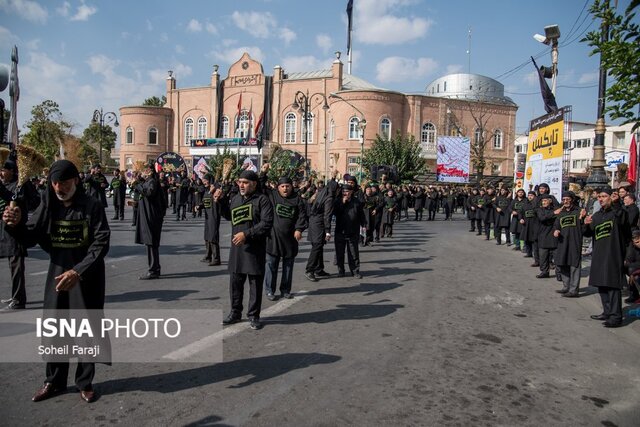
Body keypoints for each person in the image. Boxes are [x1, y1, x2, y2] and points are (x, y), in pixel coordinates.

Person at [2, 160, 110, 403]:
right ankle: (53, 381)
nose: (59, 187)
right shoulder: (49, 206)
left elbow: (101, 242)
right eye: (54, 183)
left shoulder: (91, 206)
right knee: (55, 328)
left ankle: (85, 382)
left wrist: (78, 272)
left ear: (76, 181)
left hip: (86, 278)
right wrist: (14, 224)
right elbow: (30, 237)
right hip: (58, 276)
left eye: (64, 182)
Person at [220, 170, 273, 330]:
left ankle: (254, 315)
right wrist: (221, 201)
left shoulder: (262, 200)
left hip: (254, 249)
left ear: (254, 184)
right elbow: (229, 216)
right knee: (235, 283)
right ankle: (235, 312)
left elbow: (266, 223)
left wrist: (247, 234)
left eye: (245, 182)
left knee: (255, 284)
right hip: (237, 249)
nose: (241, 185)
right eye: (239, 182)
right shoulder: (235, 198)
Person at [584, 186, 630, 328]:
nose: (601, 199)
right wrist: (585, 224)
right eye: (599, 197)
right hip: (599, 254)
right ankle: (607, 311)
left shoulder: (618, 212)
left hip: (614, 254)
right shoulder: (597, 215)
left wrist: (616, 203)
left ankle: (616, 317)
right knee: (601, 285)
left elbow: (622, 219)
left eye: (604, 196)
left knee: (612, 285)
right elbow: (588, 233)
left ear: (611, 197)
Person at [261, 168, 308, 300]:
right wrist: (263, 173)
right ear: (278, 188)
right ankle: (269, 290)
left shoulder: (297, 199)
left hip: (290, 239)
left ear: (292, 187)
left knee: (288, 266)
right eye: (282, 186)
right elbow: (260, 186)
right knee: (271, 265)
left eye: (287, 186)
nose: (285, 189)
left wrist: (299, 229)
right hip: (273, 238)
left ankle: (285, 290)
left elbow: (302, 216)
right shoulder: (272, 196)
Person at [0, 158, 28, 309]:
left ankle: (18, 299)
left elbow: (12, 198)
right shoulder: (4, 185)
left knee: (16, 267)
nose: (1, 173)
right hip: (4, 231)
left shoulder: (18, 186)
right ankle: (14, 295)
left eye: (4, 170)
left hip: (16, 233)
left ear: (11, 171)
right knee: (11, 267)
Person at [134, 162, 166, 280]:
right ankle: (155, 267)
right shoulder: (148, 182)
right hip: (148, 215)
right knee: (150, 243)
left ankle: (153, 270)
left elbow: (149, 193)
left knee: (151, 243)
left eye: (144, 169)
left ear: (149, 171)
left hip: (152, 217)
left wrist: (138, 184)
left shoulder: (152, 181)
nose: (142, 172)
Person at [552, 191, 584, 297]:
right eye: (564, 199)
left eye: (567, 199)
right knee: (562, 263)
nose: (565, 201)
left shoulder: (579, 211)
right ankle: (566, 286)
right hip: (562, 241)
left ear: (572, 200)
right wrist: (556, 230)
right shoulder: (562, 212)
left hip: (575, 241)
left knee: (574, 265)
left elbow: (585, 227)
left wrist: (583, 218)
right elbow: (557, 224)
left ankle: (574, 290)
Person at [304, 175, 335, 282]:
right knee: (317, 246)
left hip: (314, 221)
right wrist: (328, 231)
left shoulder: (321, 193)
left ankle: (319, 268)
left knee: (319, 246)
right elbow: (327, 215)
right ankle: (310, 270)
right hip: (319, 223)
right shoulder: (329, 197)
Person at [333, 184, 366, 279]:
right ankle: (341, 270)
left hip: (353, 231)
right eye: (343, 191)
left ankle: (355, 271)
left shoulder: (357, 202)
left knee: (353, 253)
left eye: (347, 191)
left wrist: (364, 224)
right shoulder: (338, 201)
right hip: (340, 231)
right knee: (340, 252)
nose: (345, 193)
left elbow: (361, 214)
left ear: (351, 192)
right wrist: (342, 203)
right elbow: (335, 213)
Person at [199, 174, 223, 266]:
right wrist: (199, 206)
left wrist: (213, 191)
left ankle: (216, 259)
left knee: (213, 236)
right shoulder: (207, 190)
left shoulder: (216, 189)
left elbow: (219, 196)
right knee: (207, 236)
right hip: (207, 216)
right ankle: (208, 256)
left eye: (205, 180)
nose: (203, 182)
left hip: (214, 215)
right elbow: (205, 201)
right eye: (203, 180)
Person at [536, 195, 557, 279]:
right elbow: (542, 218)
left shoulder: (555, 209)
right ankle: (544, 271)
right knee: (543, 256)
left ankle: (559, 273)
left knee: (556, 256)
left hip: (553, 235)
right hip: (543, 235)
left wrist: (554, 213)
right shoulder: (539, 210)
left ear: (550, 201)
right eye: (543, 201)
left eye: (545, 201)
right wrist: (553, 214)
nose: (544, 202)